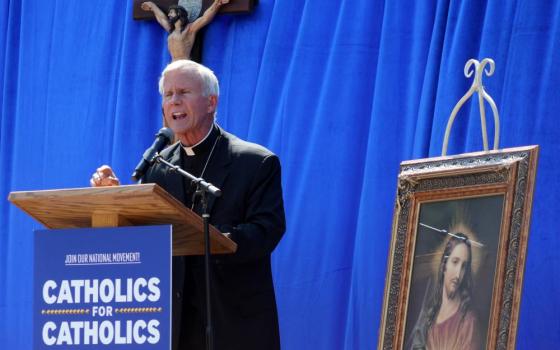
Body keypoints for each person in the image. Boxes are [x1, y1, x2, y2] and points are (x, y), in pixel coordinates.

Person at [91, 59, 286, 350]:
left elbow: (266, 231)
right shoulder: (157, 167)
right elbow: (145, 237)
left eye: (183, 92)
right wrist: (115, 202)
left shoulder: (256, 163)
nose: (174, 101)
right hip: (172, 325)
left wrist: (211, 238)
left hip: (233, 322)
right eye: (168, 95)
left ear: (211, 102)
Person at [408, 231, 481, 350]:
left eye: (463, 266)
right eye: (455, 262)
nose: (458, 274)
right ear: (444, 265)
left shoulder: (469, 322)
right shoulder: (428, 317)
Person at [141, 0, 230, 61]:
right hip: (172, 66)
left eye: (171, 12)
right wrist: (152, 6)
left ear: (179, 13)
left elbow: (205, 18)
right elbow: (161, 18)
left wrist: (217, 3)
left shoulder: (189, 30)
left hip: (185, 66)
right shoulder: (171, 30)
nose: (169, 15)